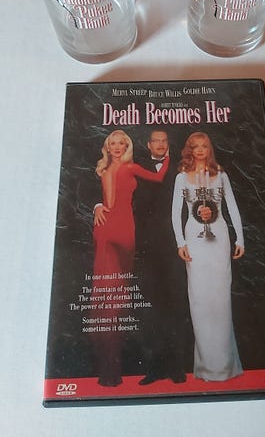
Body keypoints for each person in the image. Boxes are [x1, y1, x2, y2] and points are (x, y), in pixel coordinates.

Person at [93, 129, 169, 387]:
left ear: (126, 146)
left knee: (114, 294)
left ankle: (111, 370)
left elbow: (157, 180)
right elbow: (158, 177)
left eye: (121, 143)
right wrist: (97, 206)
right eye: (112, 143)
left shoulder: (124, 167)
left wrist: (165, 157)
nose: (116, 147)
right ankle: (110, 372)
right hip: (110, 230)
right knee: (111, 296)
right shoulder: (110, 169)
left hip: (122, 231)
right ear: (107, 147)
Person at [171, 132, 244, 381]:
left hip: (219, 237)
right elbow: (175, 212)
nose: (201, 150)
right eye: (196, 146)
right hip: (194, 238)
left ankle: (225, 366)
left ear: (209, 149)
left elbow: (231, 206)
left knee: (220, 299)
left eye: (204, 146)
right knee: (200, 299)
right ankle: (207, 366)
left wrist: (240, 239)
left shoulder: (220, 175)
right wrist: (180, 242)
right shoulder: (182, 177)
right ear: (190, 150)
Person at [132, 129, 190, 385]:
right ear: (148, 144)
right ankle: (154, 368)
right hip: (147, 246)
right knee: (151, 308)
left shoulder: (180, 167)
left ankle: (177, 368)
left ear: (168, 143)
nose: (159, 144)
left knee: (176, 304)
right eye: (155, 140)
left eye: (164, 140)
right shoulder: (137, 167)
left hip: (175, 244)